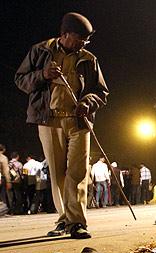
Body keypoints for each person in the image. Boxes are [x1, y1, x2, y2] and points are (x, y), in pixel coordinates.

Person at [15, 12, 108, 238]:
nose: (83, 43)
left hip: (79, 121)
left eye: (86, 40)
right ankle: (64, 218)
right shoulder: (40, 51)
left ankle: (76, 221)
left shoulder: (89, 58)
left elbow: (101, 92)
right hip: (50, 121)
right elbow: (20, 79)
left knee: (77, 171)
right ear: (65, 35)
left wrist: (88, 102)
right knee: (57, 173)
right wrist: (43, 74)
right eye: (80, 38)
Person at [0, 145, 11, 210]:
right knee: (3, 195)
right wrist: (8, 181)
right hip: (1, 178)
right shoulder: (3, 157)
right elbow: (6, 170)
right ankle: (3, 210)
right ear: (3, 150)